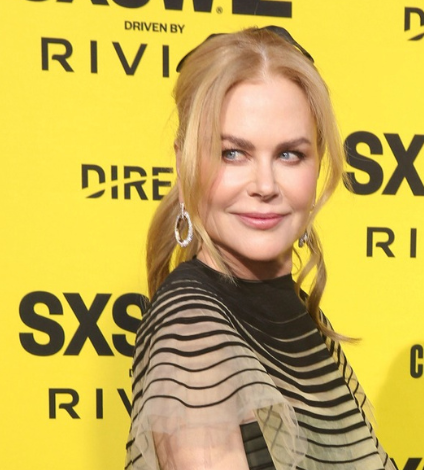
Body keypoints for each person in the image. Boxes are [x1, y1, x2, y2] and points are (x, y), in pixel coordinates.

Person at [125, 26, 397, 470]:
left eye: (290, 154)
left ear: (317, 163)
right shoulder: (193, 327)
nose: (265, 186)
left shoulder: (297, 314)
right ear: (183, 161)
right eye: (232, 153)